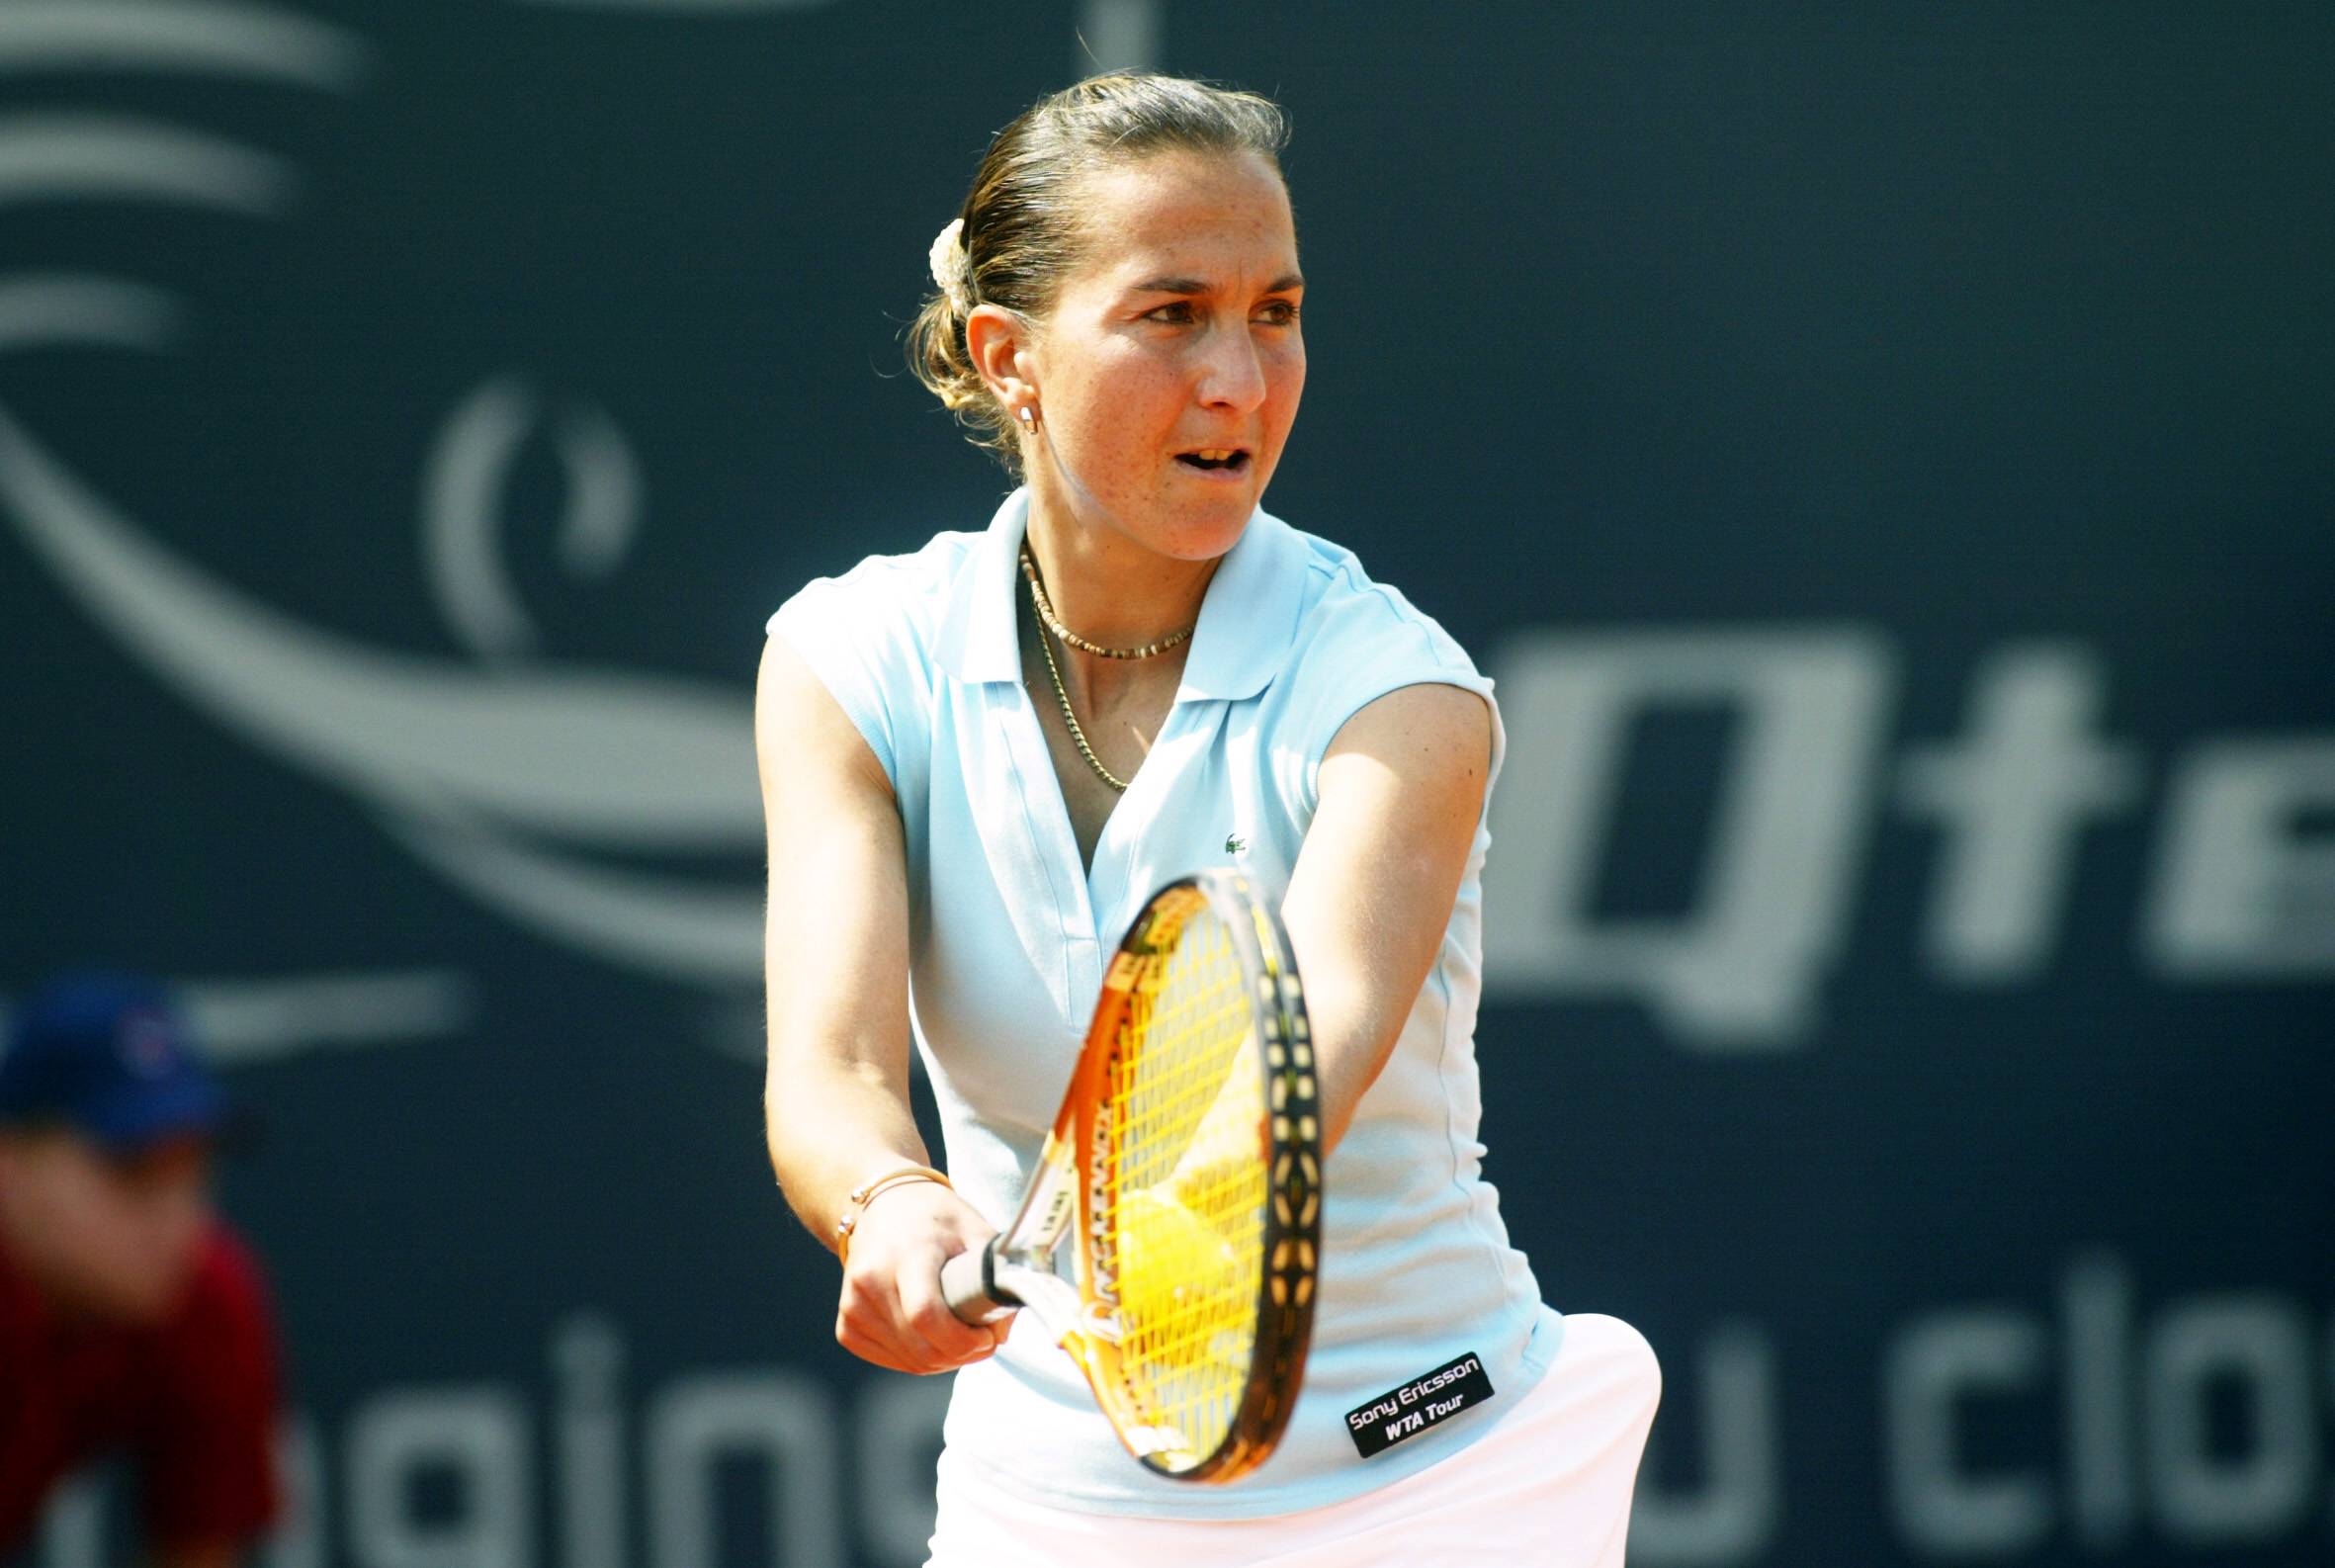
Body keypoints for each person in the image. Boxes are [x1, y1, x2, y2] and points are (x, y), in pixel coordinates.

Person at [756, 73, 1659, 1565]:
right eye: (1169, 313)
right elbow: (833, 1064)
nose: (1239, 376)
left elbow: (1288, 1072)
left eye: (1276, 310)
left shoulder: (1396, 695)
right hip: (1044, 1496)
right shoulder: (851, 664)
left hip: (1437, 1479)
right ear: (1009, 358)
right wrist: (891, 1203)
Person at [0, 973, 285, 1568]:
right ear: (11, 1163)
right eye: (132, 1171)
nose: (175, 1220)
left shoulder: (205, 1293)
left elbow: (200, 1549)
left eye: (192, 1169)